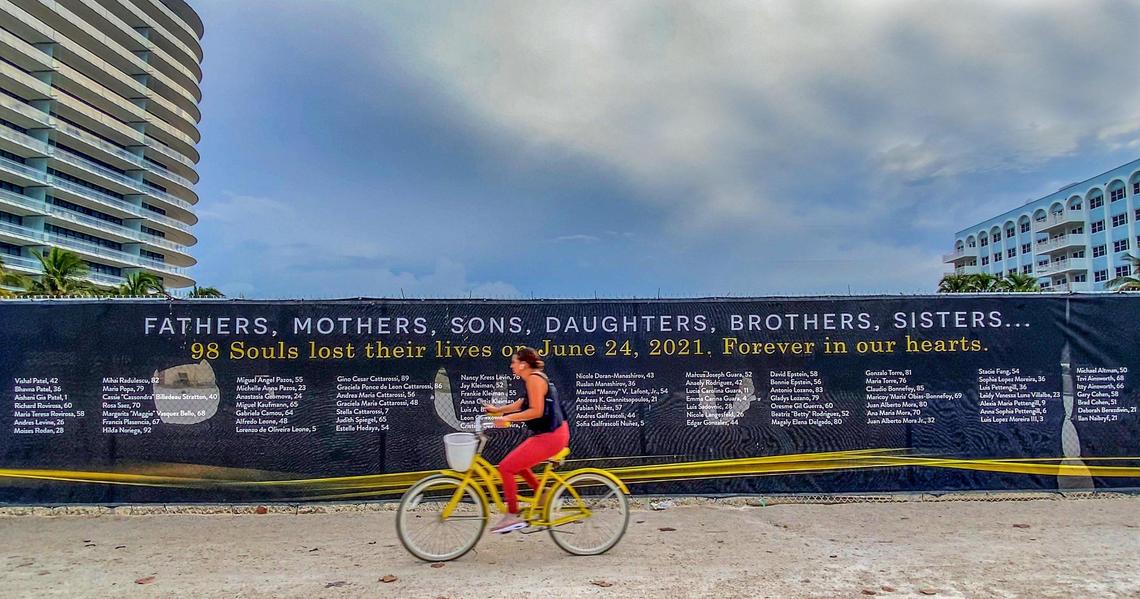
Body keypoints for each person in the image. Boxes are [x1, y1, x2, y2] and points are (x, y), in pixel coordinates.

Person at [483, 347, 569, 533]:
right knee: (518, 464)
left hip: (551, 436)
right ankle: (543, 494)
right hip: (553, 433)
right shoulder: (534, 378)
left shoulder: (534, 380)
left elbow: (535, 411)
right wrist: (498, 410)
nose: (511, 365)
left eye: (514, 362)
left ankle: (512, 515)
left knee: (506, 467)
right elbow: (522, 403)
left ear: (523, 364)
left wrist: (507, 419)